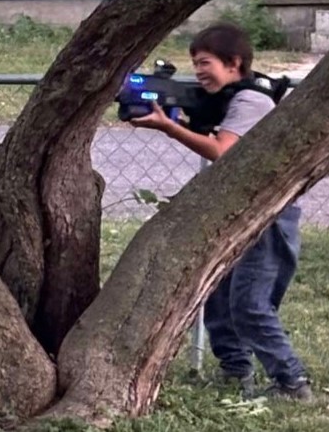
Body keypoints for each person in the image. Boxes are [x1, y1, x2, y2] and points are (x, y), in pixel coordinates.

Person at [130, 21, 312, 401]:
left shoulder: (251, 100)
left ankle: (291, 382)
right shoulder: (230, 97)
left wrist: (170, 128)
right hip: (240, 210)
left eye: (205, 62)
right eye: (194, 62)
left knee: (249, 305)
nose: (198, 70)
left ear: (234, 63)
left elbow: (224, 151)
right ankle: (235, 374)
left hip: (269, 216)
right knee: (217, 297)